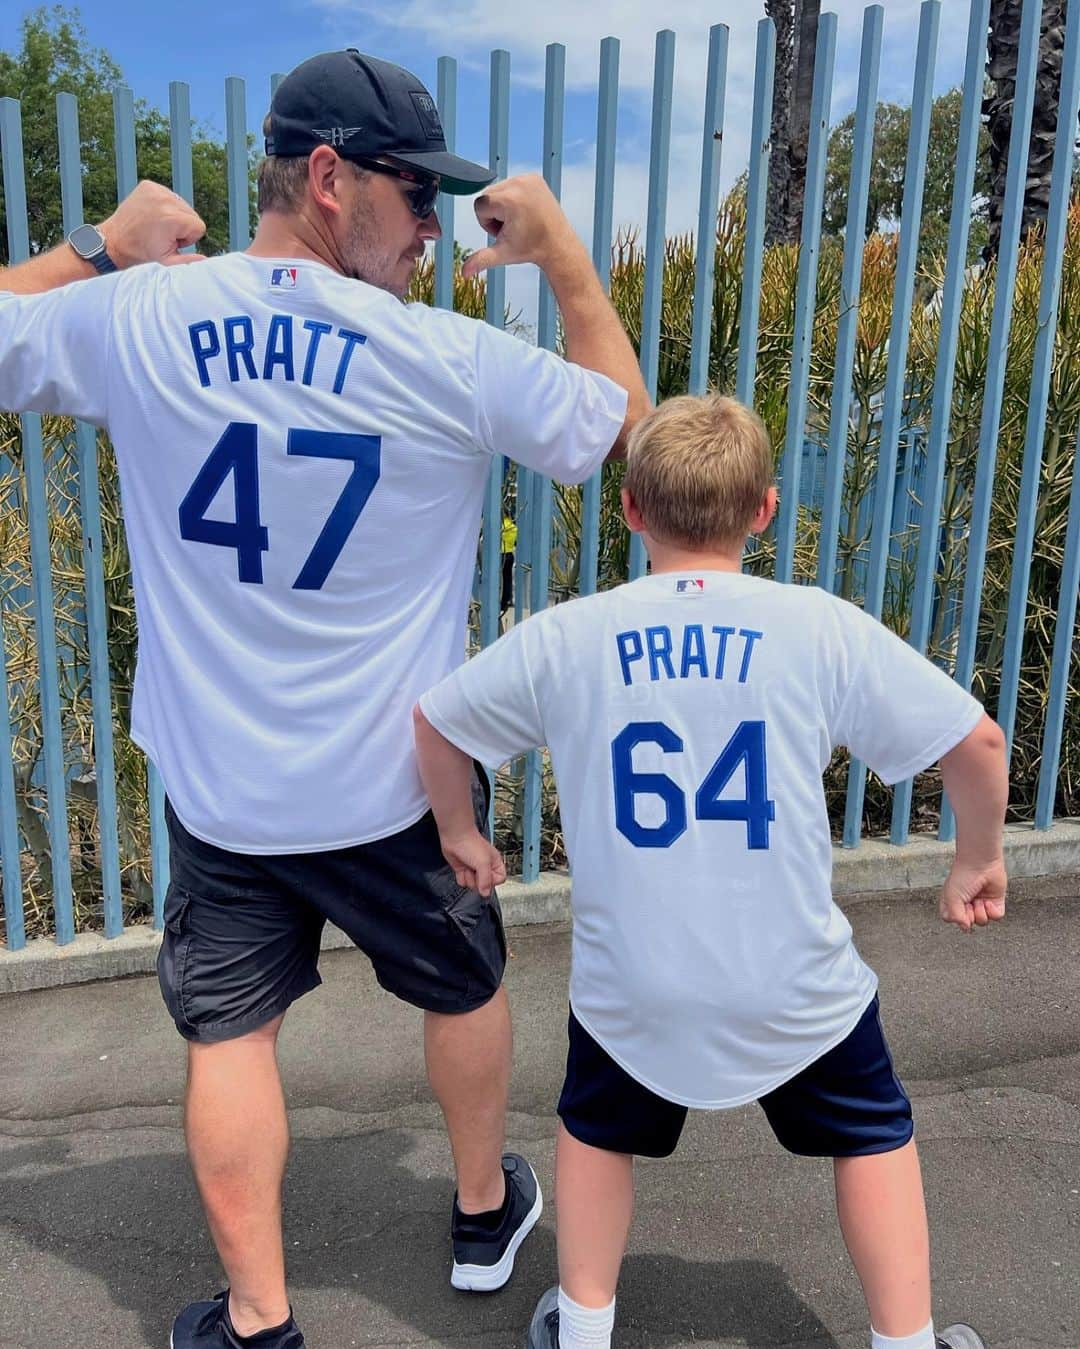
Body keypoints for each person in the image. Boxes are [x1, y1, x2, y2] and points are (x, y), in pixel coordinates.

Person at [0, 48, 648, 1349]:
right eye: (416, 199)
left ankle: (258, 1322)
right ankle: (480, 1216)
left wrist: (99, 243)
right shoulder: (445, 357)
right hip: (399, 787)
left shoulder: (139, 316)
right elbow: (630, 428)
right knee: (460, 988)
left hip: (227, 791)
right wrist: (566, 259)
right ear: (331, 177)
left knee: (230, 1036)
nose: (428, 232)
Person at [413, 394, 1009, 1349]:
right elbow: (978, 741)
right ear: (765, 509)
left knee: (598, 1130)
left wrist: (462, 834)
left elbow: (438, 722)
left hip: (634, 985)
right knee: (871, 1134)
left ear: (633, 510)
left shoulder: (572, 634)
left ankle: (586, 1329)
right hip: (792, 980)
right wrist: (976, 858)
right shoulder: (813, 625)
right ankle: (906, 1341)